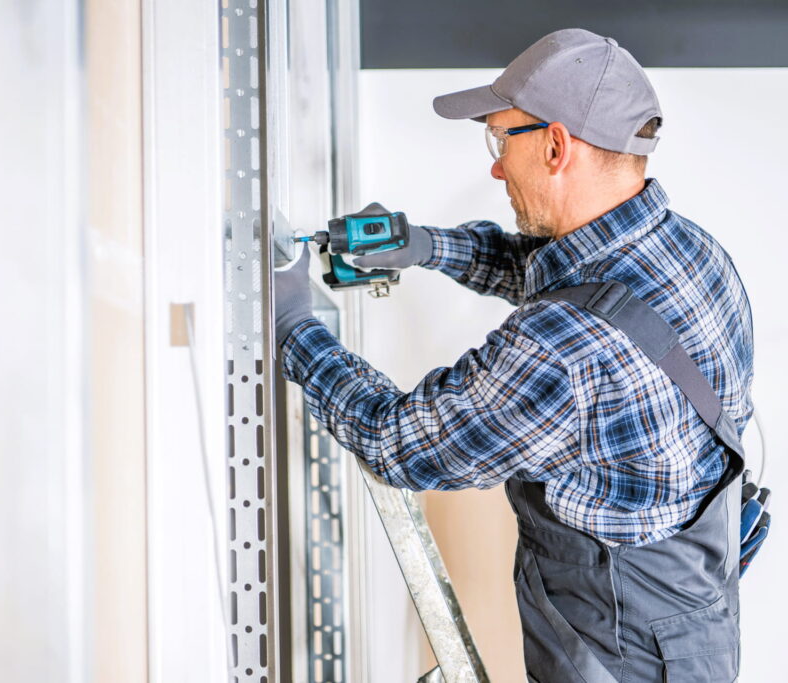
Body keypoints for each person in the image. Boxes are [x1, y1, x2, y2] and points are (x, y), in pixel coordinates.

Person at [274, 28, 752, 682]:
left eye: (503, 140)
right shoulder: (692, 253)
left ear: (556, 146)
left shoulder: (565, 352)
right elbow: (569, 277)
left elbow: (400, 441)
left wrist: (294, 325)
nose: (496, 166)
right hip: (699, 630)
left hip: (622, 659)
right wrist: (424, 246)